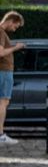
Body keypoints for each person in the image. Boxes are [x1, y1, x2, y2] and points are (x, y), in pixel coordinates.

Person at [0, 11, 20, 143]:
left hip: (4, 72)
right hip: (4, 72)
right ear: (10, 21)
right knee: (3, 102)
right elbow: (1, 53)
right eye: (15, 26)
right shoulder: (1, 32)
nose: (14, 29)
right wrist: (15, 48)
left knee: (3, 102)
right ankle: (0, 135)